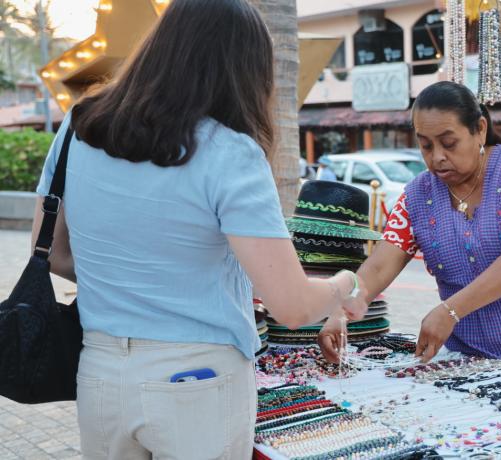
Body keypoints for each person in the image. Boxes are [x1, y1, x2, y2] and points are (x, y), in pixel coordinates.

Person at [30, 1, 368, 458]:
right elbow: (290, 306)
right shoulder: (230, 153)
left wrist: (127, 285)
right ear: (245, 70)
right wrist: (346, 284)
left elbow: (50, 252)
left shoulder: (78, 126)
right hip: (198, 382)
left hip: (101, 372)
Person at [319, 81, 501, 386]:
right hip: (471, 360)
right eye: (425, 145)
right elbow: (379, 266)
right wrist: (345, 309)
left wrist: (450, 311)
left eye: (448, 143)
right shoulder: (417, 196)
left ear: (479, 129)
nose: (437, 156)